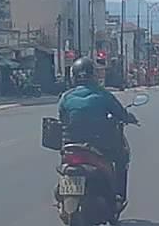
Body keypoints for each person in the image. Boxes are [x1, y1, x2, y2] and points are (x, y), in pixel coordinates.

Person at [58, 57, 138, 204]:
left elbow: (62, 118)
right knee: (121, 158)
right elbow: (121, 114)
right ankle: (118, 196)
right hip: (100, 145)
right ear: (93, 75)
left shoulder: (66, 97)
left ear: (73, 77)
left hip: (71, 145)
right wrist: (130, 118)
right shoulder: (103, 95)